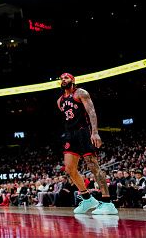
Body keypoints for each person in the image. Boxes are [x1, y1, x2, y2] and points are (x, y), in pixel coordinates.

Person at [57, 72, 118, 215]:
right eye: (61, 79)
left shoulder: (81, 93)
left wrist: (95, 132)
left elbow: (91, 112)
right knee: (69, 169)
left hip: (83, 132)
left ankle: (108, 202)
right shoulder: (60, 100)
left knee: (93, 166)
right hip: (69, 134)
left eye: (66, 78)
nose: (63, 80)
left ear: (72, 80)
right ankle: (87, 198)